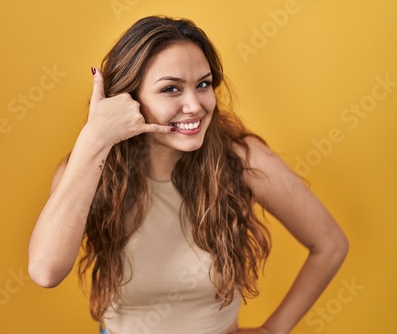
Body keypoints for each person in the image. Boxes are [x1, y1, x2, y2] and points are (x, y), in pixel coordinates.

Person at [28, 16, 348, 334]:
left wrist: (273, 330)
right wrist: (96, 139)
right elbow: (45, 271)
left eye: (203, 84)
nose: (194, 105)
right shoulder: (86, 168)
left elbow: (330, 243)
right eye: (171, 89)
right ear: (128, 98)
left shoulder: (242, 159)